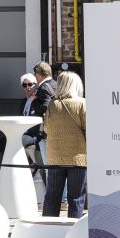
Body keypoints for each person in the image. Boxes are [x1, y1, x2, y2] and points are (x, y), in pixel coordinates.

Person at [41, 70, 87, 218]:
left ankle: (49, 227)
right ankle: (74, 227)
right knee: (76, 197)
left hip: (55, 157)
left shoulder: (52, 105)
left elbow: (47, 129)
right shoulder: (82, 103)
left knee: (52, 196)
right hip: (78, 157)